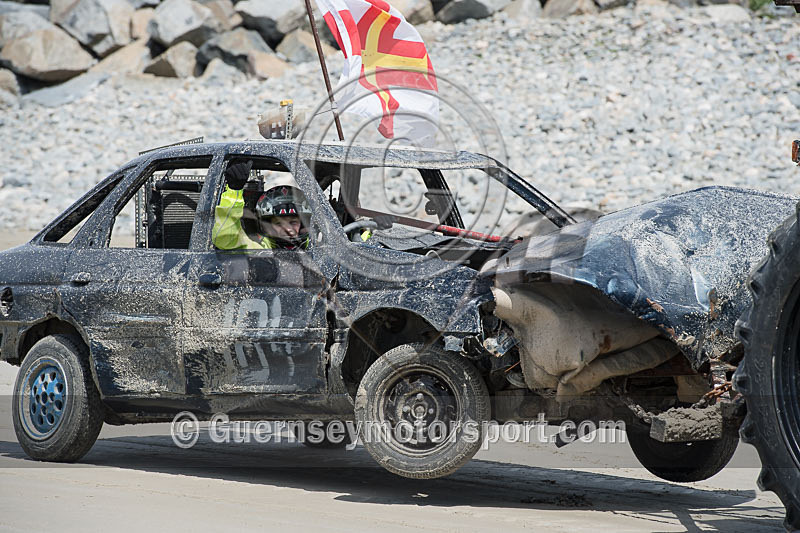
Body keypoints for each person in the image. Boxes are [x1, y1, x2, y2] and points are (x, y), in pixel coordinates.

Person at [212, 159, 311, 250]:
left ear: (303, 224)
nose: (288, 229)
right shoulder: (259, 250)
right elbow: (225, 239)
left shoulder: (317, 250)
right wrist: (234, 191)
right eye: (278, 223)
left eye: (293, 222)